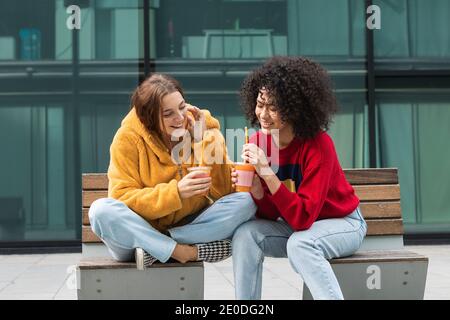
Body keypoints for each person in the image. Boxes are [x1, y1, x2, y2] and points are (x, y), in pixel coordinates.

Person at [230, 56, 367, 299]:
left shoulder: (318, 144)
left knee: (301, 244)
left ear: (295, 109)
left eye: (274, 107)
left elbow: (303, 217)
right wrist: (257, 191)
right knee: (245, 235)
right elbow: (272, 214)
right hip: (298, 226)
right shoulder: (258, 142)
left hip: (344, 224)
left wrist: (267, 174)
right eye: (261, 104)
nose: (264, 114)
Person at [88, 73, 256, 269]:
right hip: (136, 234)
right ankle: (180, 252)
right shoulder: (127, 139)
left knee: (246, 202)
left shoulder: (204, 130)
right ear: (147, 118)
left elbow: (225, 191)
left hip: (184, 228)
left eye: (182, 107)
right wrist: (176, 192)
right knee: (100, 210)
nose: (180, 118)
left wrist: (202, 141)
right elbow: (121, 196)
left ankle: (159, 247)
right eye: (168, 114)